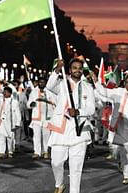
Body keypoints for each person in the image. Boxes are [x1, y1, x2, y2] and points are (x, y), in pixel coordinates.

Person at [46, 58, 95, 193]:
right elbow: (49, 86)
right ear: (69, 70)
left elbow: (91, 109)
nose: (77, 70)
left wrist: (78, 112)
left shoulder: (87, 87)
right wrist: (56, 70)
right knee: (56, 162)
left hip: (79, 131)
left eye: (80, 68)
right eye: (74, 68)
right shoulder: (61, 84)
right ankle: (59, 184)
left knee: (76, 168)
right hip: (60, 130)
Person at [93, 73, 128, 184]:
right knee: (125, 153)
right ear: (124, 83)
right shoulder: (118, 92)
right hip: (122, 126)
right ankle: (127, 175)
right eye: (127, 82)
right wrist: (96, 82)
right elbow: (104, 92)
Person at [27, 77, 55, 159]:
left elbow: (55, 102)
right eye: (40, 82)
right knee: (36, 136)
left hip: (47, 118)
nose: (41, 84)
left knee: (46, 136)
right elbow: (28, 103)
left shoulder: (50, 92)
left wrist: (45, 101)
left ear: (45, 83)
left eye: (43, 82)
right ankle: (37, 152)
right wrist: (31, 104)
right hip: (36, 118)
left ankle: (45, 151)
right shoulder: (34, 92)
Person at [0, 86, 21, 159]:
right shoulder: (0, 100)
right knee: (1, 137)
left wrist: (17, 124)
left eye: (5, 92)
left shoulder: (14, 102)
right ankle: (2, 152)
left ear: (10, 93)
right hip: (2, 122)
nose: (4, 93)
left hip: (10, 123)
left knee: (10, 138)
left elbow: (18, 114)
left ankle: (10, 152)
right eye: (4, 92)